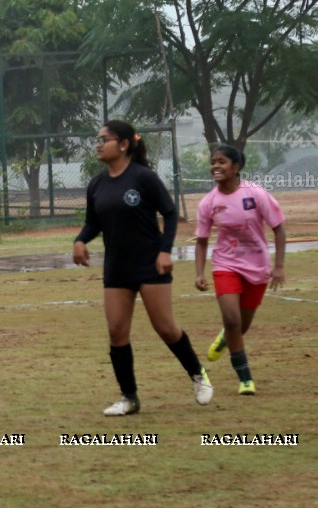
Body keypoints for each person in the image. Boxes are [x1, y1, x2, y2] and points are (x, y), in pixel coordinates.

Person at [72, 120, 213, 416]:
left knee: (165, 328)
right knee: (116, 331)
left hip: (151, 265)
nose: (98, 144)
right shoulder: (96, 184)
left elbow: (171, 213)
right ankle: (129, 398)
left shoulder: (143, 177)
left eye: (104, 139)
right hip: (117, 269)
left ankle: (198, 374)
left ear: (123, 144)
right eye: (97, 139)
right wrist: (81, 240)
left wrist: (165, 250)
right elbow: (92, 223)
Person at [194, 146, 286, 395]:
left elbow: (278, 227)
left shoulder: (255, 194)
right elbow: (202, 241)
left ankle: (226, 337)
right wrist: (200, 273)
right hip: (226, 265)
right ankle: (245, 378)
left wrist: (278, 266)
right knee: (233, 320)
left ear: (235, 167)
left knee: (240, 326)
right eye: (213, 162)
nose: (215, 166)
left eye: (221, 162)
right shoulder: (208, 203)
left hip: (257, 267)